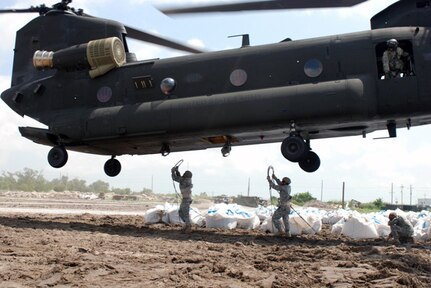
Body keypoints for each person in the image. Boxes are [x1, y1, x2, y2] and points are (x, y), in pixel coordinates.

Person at [267, 173, 292, 237]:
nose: (281, 181)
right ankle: (288, 233)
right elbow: (280, 183)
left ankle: (280, 231)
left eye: (283, 181)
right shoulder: (288, 187)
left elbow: (274, 186)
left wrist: (269, 180)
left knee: (275, 218)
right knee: (285, 219)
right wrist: (275, 178)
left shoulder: (283, 187)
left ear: (285, 182)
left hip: (283, 207)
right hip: (287, 207)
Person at [171, 166, 193, 233]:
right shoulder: (187, 180)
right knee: (181, 212)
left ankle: (188, 227)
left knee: (185, 213)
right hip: (186, 198)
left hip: (186, 199)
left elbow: (175, 178)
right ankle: (186, 225)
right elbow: (180, 178)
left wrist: (173, 171)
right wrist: (177, 171)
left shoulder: (184, 180)